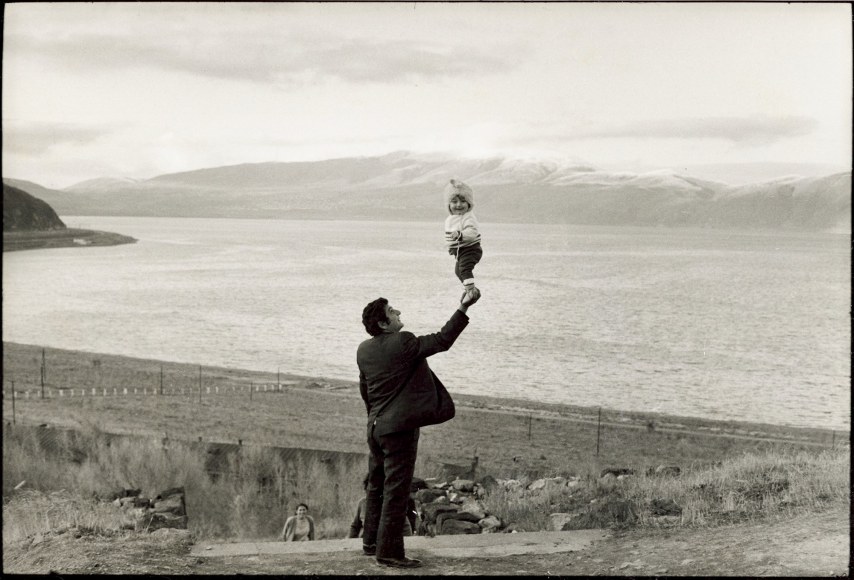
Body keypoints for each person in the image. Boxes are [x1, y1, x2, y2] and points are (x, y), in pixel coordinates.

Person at [357, 289, 480, 569]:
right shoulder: (403, 341)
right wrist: (463, 307)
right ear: (383, 324)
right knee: (396, 491)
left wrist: (374, 420)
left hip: (375, 429)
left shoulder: (363, 350)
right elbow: (442, 340)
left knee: (376, 486)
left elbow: (365, 389)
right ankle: (389, 553)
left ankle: (371, 543)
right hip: (398, 432)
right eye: (392, 311)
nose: (398, 312)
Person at [443, 179, 483, 301]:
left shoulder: (468, 218)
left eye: (463, 201)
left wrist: (460, 234)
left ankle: (471, 292)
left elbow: (472, 232)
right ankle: (469, 288)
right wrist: (451, 247)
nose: (459, 205)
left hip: (471, 249)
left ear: (469, 204)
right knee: (458, 271)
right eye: (454, 202)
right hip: (461, 251)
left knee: (465, 269)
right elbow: (451, 237)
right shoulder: (452, 218)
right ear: (449, 205)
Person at [349, 474, 417, 539]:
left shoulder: (393, 504)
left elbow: (406, 529)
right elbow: (355, 527)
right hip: (367, 544)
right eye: (370, 488)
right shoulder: (362, 504)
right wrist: (351, 543)